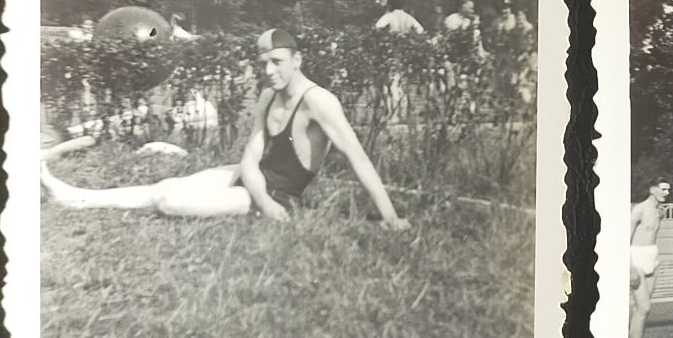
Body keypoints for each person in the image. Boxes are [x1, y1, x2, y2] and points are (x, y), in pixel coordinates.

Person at [40, 29, 411, 230]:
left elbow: (358, 159)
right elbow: (250, 156)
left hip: (280, 193)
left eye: (278, 62)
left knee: (170, 200)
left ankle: (74, 198)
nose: (270, 71)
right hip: (252, 181)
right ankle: (75, 197)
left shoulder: (320, 101)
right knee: (163, 188)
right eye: (264, 63)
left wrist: (390, 216)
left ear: (298, 60)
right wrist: (259, 194)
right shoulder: (268, 96)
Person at [629, 178, 671, 338]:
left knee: (643, 310)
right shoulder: (638, 210)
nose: (666, 193)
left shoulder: (659, 211)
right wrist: (629, 267)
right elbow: (625, 240)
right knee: (643, 308)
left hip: (652, 257)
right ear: (653, 189)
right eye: (663, 189)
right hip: (636, 258)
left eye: (668, 190)